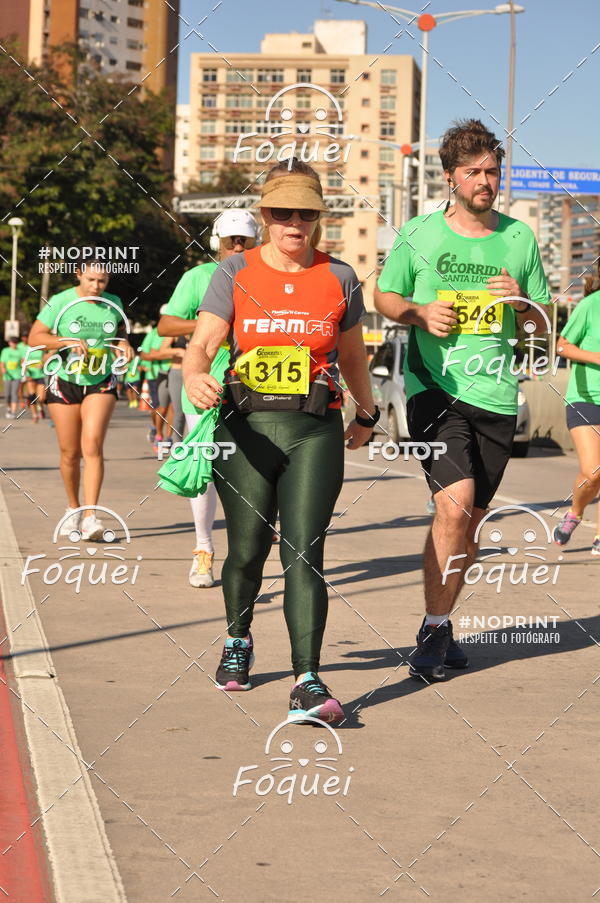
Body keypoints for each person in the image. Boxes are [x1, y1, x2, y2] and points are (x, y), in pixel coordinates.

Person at [183, 159, 378, 723]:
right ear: (265, 215)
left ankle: (307, 680)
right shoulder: (235, 271)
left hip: (314, 428)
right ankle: (237, 638)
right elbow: (203, 344)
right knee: (247, 548)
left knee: (304, 552)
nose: (295, 223)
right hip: (245, 428)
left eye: (306, 213)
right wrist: (194, 375)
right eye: (283, 212)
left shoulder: (340, 276)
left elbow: (353, 355)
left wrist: (367, 413)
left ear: (319, 218)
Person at [374, 119, 550, 680]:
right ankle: (431, 629)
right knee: (454, 506)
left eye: (492, 171)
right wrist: (419, 312)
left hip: (497, 396)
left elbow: (541, 326)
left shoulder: (519, 238)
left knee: (469, 524)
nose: (485, 181)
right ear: (450, 177)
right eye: (473, 171)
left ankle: (442, 620)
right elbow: (383, 295)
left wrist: (521, 303)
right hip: (436, 389)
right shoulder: (419, 233)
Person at [158, 208, 259, 588]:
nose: (238, 247)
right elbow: (166, 325)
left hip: (257, 382)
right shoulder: (197, 276)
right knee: (207, 467)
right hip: (205, 381)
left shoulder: (267, 275)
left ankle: (251, 550)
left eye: (245, 240)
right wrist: (212, 322)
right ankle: (204, 549)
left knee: (255, 467)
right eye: (232, 240)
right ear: (218, 241)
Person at [28, 260, 134, 539]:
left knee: (93, 445)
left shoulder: (113, 302)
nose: (96, 286)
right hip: (65, 381)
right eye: (91, 280)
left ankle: (90, 516)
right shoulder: (61, 301)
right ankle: (72, 508)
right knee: (69, 453)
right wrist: (65, 341)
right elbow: (35, 337)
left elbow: (119, 333)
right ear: (79, 275)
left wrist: (123, 343)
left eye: (102, 281)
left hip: (101, 380)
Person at [553, 265, 600, 555]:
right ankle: (575, 512)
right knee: (594, 471)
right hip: (586, 398)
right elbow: (562, 347)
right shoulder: (590, 305)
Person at [139, 308, 179, 453]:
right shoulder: (154, 333)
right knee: (160, 408)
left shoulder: (179, 331)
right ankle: (158, 433)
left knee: (173, 408)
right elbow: (145, 354)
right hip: (156, 375)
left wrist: (162, 353)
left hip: (176, 373)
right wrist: (169, 354)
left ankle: (168, 437)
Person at [1, 336, 23, 418]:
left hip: (17, 375)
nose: (13, 344)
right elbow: (2, 362)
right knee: (7, 395)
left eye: (15, 342)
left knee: (14, 393)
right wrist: (3, 369)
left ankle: (13, 412)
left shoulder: (20, 351)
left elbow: (22, 362)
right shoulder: (5, 351)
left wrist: (24, 369)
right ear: (9, 343)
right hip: (7, 376)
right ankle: (9, 408)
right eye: (12, 342)